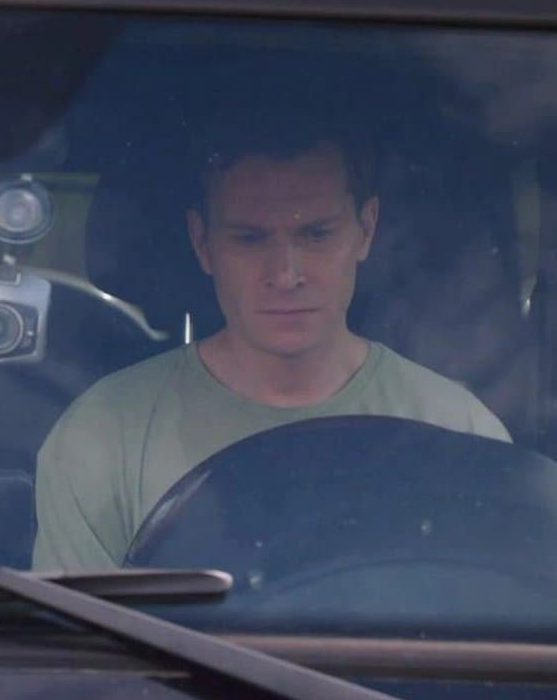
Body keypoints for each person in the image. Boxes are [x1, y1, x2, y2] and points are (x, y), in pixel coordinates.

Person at [32, 106, 512, 572]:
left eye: (317, 234)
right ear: (202, 243)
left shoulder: (460, 433)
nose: (285, 275)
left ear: (366, 230)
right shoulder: (105, 438)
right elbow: (73, 629)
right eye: (249, 238)